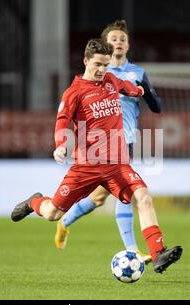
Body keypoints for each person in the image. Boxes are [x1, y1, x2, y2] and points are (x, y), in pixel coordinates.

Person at [11, 38, 182, 274]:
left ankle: (158, 253)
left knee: (143, 197)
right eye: (98, 65)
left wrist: (139, 90)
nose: (102, 70)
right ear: (85, 61)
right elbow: (62, 121)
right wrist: (61, 145)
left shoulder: (110, 79)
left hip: (117, 165)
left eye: (106, 64)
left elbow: (125, 86)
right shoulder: (74, 93)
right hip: (86, 167)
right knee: (52, 213)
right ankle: (34, 202)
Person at [54, 20, 163, 263]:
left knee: (100, 198)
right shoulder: (98, 75)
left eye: (122, 39)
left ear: (128, 44)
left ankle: (65, 221)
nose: (118, 43)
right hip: (98, 145)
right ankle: (133, 250)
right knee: (122, 195)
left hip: (127, 139)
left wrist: (143, 92)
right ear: (106, 45)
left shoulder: (137, 73)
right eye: (113, 39)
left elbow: (156, 105)